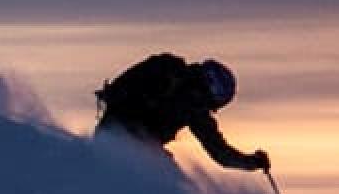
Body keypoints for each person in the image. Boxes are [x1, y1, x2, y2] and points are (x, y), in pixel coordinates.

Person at [93, 53, 271, 173]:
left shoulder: (171, 67)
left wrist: (252, 162)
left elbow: (220, 154)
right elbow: (220, 154)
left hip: (115, 130)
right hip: (133, 141)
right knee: (170, 181)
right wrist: (253, 162)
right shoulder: (194, 106)